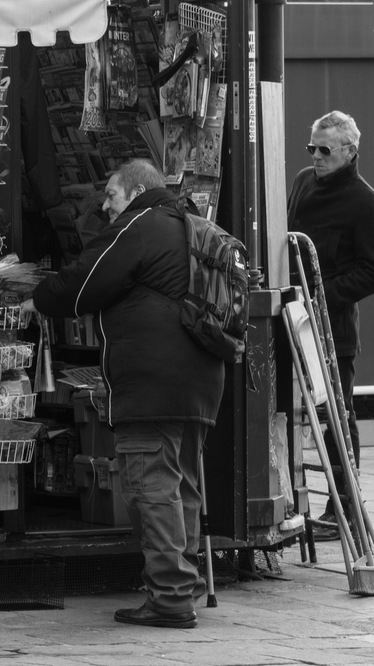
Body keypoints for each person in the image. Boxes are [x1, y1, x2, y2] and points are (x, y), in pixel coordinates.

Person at [24, 160, 224, 629]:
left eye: (111, 195)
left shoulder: (140, 225)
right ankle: (184, 585)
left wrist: (36, 298)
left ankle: (171, 597)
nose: (106, 206)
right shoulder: (192, 224)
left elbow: (80, 285)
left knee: (149, 485)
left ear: (136, 191)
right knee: (181, 485)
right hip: (199, 379)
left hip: (152, 384)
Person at [288, 110, 374, 540]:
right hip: (291, 315)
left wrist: (320, 294)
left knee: (336, 413)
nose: (315, 156)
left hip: (332, 330)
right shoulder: (302, 181)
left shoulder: (367, 202)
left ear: (349, 152)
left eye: (325, 149)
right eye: (312, 147)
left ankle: (344, 507)